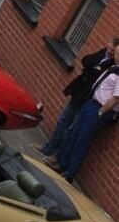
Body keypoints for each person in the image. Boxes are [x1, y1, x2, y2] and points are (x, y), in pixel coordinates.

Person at [31, 38, 119, 160]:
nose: (108, 51)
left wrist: (93, 68)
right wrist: (94, 67)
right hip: (79, 92)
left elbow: (97, 77)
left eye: (112, 50)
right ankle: (48, 147)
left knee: (71, 129)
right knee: (63, 119)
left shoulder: (113, 64)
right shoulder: (103, 52)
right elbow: (86, 60)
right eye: (108, 47)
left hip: (87, 98)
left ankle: (57, 156)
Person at [46, 44, 119, 182]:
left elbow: (116, 98)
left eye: (117, 53)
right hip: (91, 103)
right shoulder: (114, 68)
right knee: (75, 134)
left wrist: (101, 112)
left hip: (98, 109)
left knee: (82, 140)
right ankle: (62, 164)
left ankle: (69, 173)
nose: (115, 55)